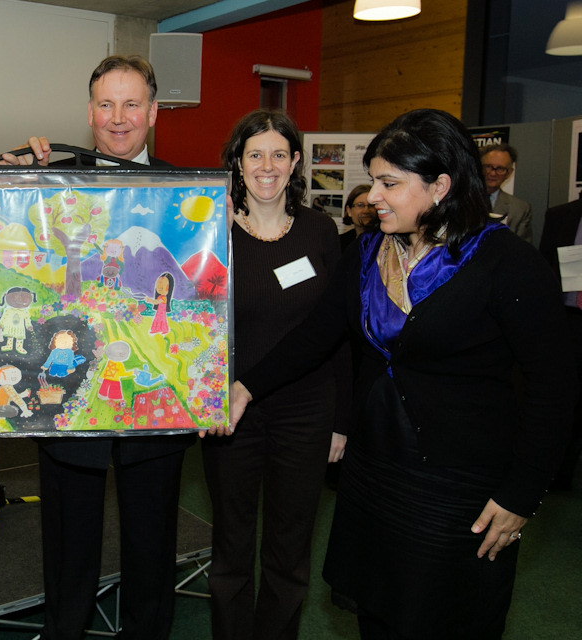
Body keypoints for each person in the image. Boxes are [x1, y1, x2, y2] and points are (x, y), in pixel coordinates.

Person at [224, 109, 575, 639]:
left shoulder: (506, 262)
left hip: (460, 484)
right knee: (380, 611)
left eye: (390, 183)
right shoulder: (368, 253)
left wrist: (522, 494)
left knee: (449, 617)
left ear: (440, 186)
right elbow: (314, 336)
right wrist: (246, 386)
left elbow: (554, 387)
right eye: (374, 181)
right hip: (377, 472)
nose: (375, 196)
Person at [0, 55, 194, 640]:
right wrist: (1, 166)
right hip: (70, 396)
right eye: (105, 104)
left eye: (131, 105)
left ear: (153, 111)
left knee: (153, 543)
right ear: (89, 111)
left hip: (152, 404)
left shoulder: (187, 194)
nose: (117, 119)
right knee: (68, 546)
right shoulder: (50, 180)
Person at [200, 109, 350, 640]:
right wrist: (201, 397)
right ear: (237, 165)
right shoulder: (210, 233)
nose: (268, 166)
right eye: (255, 154)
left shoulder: (321, 230)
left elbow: (337, 332)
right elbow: (193, 326)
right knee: (232, 546)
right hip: (229, 413)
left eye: (279, 154)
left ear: (296, 162)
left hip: (307, 411)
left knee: (290, 547)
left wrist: (341, 421)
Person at [538, 195, 582, 490]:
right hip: (568, 320)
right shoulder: (560, 215)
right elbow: (544, 267)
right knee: (564, 397)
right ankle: (556, 472)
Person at [481, 143, 533, 242]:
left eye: (500, 169)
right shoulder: (459, 201)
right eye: (488, 166)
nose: (493, 173)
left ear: (509, 173)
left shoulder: (520, 209)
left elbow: (522, 250)